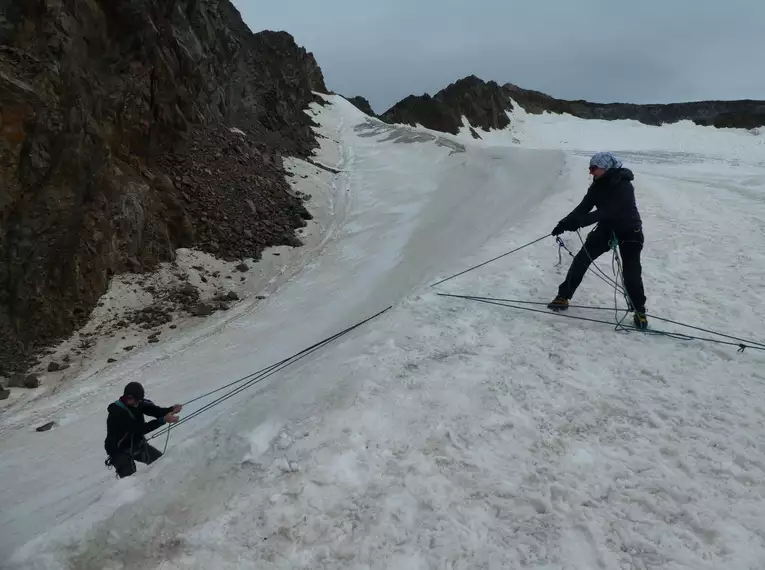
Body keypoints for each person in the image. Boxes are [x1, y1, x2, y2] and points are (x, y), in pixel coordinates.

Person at [548, 152, 648, 329]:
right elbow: (583, 208)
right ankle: (563, 296)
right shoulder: (597, 186)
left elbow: (608, 211)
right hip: (606, 229)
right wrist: (564, 223)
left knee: (631, 272)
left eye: (594, 168)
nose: (591, 172)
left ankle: (639, 310)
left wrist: (580, 222)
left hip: (630, 231)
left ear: (606, 167)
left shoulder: (624, 185)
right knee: (581, 259)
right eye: (590, 168)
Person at [104, 381, 182, 478]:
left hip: (136, 445)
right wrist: (163, 420)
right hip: (119, 452)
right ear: (128, 397)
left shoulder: (138, 402)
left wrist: (171, 410)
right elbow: (138, 429)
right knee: (130, 483)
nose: (137, 403)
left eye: (139, 401)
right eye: (135, 400)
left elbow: (153, 410)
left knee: (161, 463)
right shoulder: (117, 413)